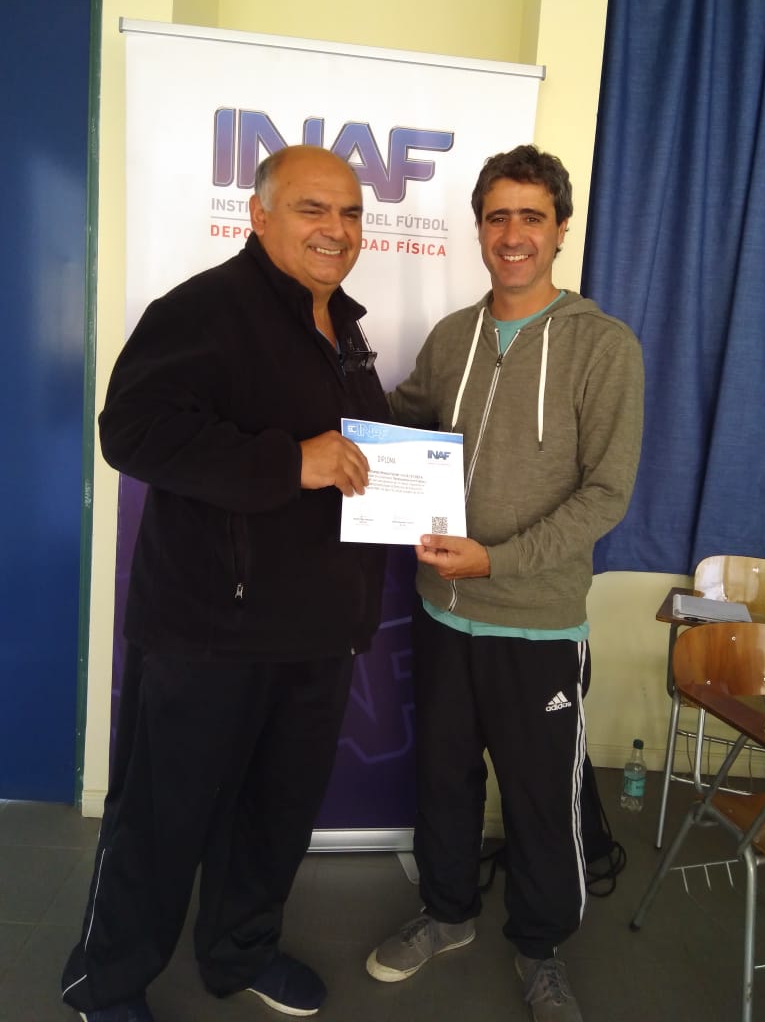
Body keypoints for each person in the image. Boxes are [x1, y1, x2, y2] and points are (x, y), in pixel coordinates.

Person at [61, 146, 389, 1022]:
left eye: (351, 213)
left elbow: (357, 458)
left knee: (274, 816)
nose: (337, 229)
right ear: (259, 214)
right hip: (210, 629)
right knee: (160, 819)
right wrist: (289, 463)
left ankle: (240, 951)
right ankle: (106, 980)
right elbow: (131, 431)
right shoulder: (202, 311)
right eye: (314, 209)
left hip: (317, 632)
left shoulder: (345, 328)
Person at [366, 145, 644, 1022]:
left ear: (561, 230)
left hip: (537, 624)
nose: (513, 234)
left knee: (538, 799)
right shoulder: (453, 336)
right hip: (444, 613)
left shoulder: (603, 345)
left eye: (532, 216)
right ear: (479, 228)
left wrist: (499, 560)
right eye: (498, 216)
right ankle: (446, 913)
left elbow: (607, 493)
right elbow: (405, 422)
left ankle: (541, 946)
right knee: (443, 779)